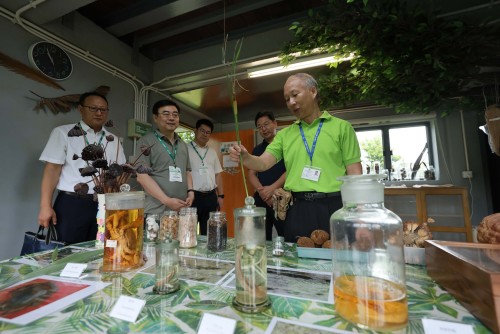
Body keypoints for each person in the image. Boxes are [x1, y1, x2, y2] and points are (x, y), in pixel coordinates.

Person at [229, 73, 362, 242]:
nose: (291, 102)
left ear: (313, 91)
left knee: (338, 260)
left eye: (294, 95)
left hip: (335, 205)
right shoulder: (285, 135)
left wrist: (358, 213)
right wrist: (246, 157)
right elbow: (263, 163)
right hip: (298, 208)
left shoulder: (342, 128)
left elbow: (354, 173)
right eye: (286, 99)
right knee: (296, 262)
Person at [38, 92, 126, 244]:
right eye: (93, 108)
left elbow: (118, 173)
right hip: (73, 204)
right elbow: (52, 170)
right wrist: (45, 206)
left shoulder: (114, 140)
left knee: (101, 249)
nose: (99, 113)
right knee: (67, 251)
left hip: (105, 203)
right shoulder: (63, 133)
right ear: (80, 109)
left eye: (103, 110)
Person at [136, 99, 194, 214]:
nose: (171, 118)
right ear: (156, 118)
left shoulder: (183, 144)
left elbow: (187, 171)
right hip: (156, 210)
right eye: (166, 114)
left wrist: (191, 192)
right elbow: (141, 176)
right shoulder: (146, 141)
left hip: (181, 208)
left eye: (175, 115)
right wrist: (166, 200)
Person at [248, 111, 286, 240]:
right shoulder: (257, 149)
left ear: (275, 123)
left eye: (266, 124)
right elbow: (251, 174)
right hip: (262, 199)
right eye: (259, 126)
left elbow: (291, 170)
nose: (263, 129)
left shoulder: (286, 145)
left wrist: (272, 189)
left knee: (286, 235)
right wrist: (263, 192)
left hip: (283, 199)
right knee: (261, 237)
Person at [188, 119, 224, 235]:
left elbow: (218, 174)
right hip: (192, 197)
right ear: (195, 130)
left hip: (210, 197)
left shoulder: (212, 151)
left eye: (208, 132)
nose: (204, 134)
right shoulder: (185, 149)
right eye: (202, 131)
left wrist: (221, 196)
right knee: (189, 231)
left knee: (210, 233)